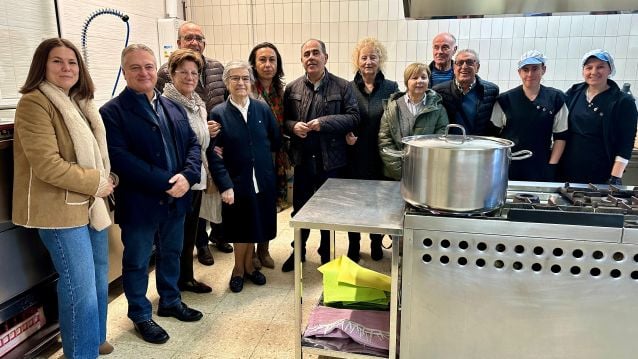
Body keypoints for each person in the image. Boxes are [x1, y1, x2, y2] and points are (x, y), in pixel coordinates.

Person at [13, 38, 115, 358]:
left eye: (72, 62)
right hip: (58, 209)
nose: (66, 68)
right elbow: (47, 165)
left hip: (91, 204)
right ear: (42, 66)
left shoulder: (79, 102)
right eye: (57, 61)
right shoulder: (34, 102)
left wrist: (106, 179)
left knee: (98, 277)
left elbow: (96, 155)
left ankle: (95, 338)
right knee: (79, 288)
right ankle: (82, 353)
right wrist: (97, 182)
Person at [100, 44, 203, 345]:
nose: (144, 73)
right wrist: (166, 181)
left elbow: (193, 145)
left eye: (148, 66)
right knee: (137, 260)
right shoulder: (113, 112)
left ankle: (170, 301)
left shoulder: (173, 106)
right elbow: (120, 157)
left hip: (177, 196)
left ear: (156, 69)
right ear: (124, 72)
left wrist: (187, 175)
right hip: (141, 202)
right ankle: (141, 314)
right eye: (135, 67)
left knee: (172, 252)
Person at [157, 21, 232, 264]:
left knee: (218, 193)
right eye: (188, 37)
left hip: (216, 142)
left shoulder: (217, 67)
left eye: (199, 38)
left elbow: (227, 102)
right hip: (188, 150)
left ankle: (219, 235)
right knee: (196, 203)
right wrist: (200, 128)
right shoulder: (163, 73)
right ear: (178, 43)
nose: (194, 42)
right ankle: (201, 242)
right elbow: (163, 111)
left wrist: (217, 129)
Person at [281, 39, 360, 273]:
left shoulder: (343, 87)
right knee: (300, 209)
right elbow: (284, 121)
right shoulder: (292, 88)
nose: (311, 57)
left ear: (326, 57)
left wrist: (323, 123)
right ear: (302, 60)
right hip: (303, 160)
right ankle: (299, 250)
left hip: (332, 161)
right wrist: (294, 126)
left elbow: (354, 117)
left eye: (316, 53)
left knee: (328, 211)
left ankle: (326, 252)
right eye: (306, 54)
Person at [207, 61, 281, 292]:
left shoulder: (262, 109)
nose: (241, 83)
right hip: (236, 183)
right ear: (227, 82)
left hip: (263, 180)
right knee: (240, 227)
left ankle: (249, 267)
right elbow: (214, 155)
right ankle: (238, 269)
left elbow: (275, 140)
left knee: (255, 225)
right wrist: (224, 184)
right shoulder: (218, 113)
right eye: (235, 78)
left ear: (251, 82)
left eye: (245, 78)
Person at [162, 48, 217, 293]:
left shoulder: (197, 103)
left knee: (191, 232)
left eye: (194, 72)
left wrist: (209, 131)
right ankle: (173, 285)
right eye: (183, 72)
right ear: (171, 74)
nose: (189, 77)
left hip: (197, 178)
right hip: (179, 179)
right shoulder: (166, 105)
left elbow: (198, 139)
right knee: (175, 237)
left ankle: (186, 278)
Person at [345, 37, 399, 263]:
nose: (368, 62)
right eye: (364, 57)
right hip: (354, 154)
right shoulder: (347, 87)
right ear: (357, 61)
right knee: (355, 203)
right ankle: (354, 245)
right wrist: (344, 134)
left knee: (379, 203)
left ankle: (376, 242)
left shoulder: (392, 88)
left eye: (373, 57)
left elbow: (397, 120)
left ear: (380, 60)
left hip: (381, 155)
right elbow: (343, 116)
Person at [559, 49, 638, 185]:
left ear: (610, 70)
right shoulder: (574, 93)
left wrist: (615, 177)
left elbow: (626, 143)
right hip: (568, 171)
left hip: (602, 174)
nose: (594, 72)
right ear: (583, 71)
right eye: (589, 67)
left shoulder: (623, 102)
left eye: (600, 67)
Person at [490, 50, 568, 181]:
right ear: (519, 72)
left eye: (535, 69)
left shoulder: (556, 98)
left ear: (543, 70)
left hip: (541, 165)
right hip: (509, 165)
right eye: (525, 70)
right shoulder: (505, 100)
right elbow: (493, 136)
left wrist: (552, 166)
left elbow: (560, 136)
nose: (530, 74)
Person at [248, 42, 288, 270]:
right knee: (254, 203)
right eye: (262, 60)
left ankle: (264, 250)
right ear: (253, 64)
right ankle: (252, 252)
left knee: (268, 204)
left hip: (276, 156)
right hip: (254, 157)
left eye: (272, 60)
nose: (267, 64)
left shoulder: (282, 90)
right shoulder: (247, 89)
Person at [379, 62, 449, 180]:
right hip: (395, 176)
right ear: (407, 82)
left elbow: (442, 141)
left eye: (423, 77)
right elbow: (385, 142)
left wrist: (425, 173)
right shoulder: (392, 107)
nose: (419, 81)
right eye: (414, 78)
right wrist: (401, 174)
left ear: (428, 81)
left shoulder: (438, 108)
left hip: (427, 175)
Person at [433, 49, 499, 136]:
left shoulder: (491, 91)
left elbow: (494, 124)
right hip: (450, 145)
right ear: (454, 67)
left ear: (477, 67)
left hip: (478, 145)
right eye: (460, 63)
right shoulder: (439, 91)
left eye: (469, 62)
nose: (464, 66)